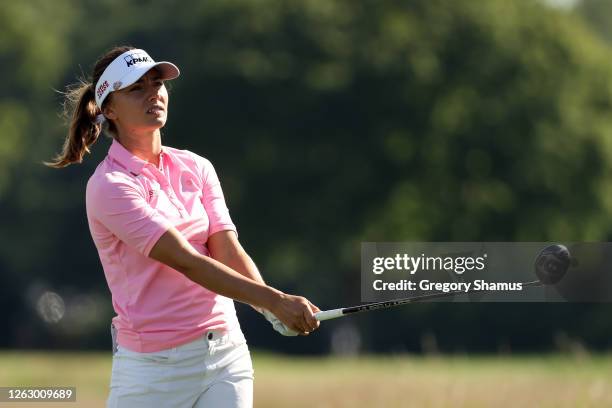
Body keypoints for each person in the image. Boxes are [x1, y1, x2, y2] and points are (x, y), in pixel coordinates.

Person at [45, 45, 320, 408]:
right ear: (109, 107)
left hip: (224, 353)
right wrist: (275, 301)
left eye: (156, 82)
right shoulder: (109, 186)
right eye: (136, 88)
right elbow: (186, 260)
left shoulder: (197, 167)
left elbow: (226, 249)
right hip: (151, 371)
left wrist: (271, 309)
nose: (154, 93)